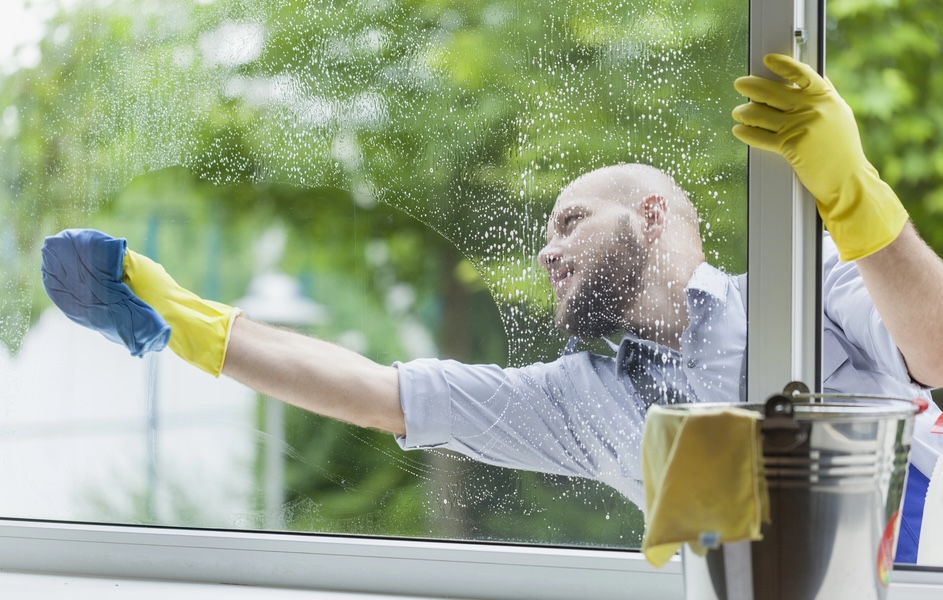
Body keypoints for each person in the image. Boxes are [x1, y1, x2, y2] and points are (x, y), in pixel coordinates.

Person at [40, 54, 943, 561]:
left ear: (654, 216)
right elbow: (377, 393)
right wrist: (191, 325)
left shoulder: (812, 285)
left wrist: (854, 196)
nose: (545, 250)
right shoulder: (575, 402)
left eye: (570, 221)